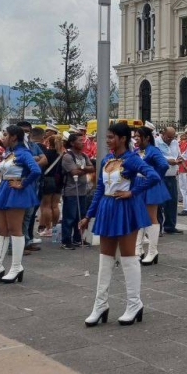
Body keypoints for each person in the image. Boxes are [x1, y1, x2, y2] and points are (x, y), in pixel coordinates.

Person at [80, 122, 162, 326]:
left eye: (110, 137)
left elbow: (153, 176)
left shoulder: (132, 159)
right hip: (107, 208)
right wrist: (88, 216)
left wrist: (132, 192)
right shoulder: (107, 159)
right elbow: (100, 188)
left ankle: (134, 304)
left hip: (125, 209)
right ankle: (100, 305)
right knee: (105, 258)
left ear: (122, 138)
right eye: (106, 137)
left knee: (128, 257)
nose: (107, 141)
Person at [0, 126, 42, 285]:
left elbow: (36, 171)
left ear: (14, 137)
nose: (3, 136)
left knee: (15, 229)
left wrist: (23, 183)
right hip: (5, 189)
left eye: (5, 134)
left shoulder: (24, 153)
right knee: (1, 230)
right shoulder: (9, 152)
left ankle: (16, 267)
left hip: (16, 192)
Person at [132, 123, 171, 266]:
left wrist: (154, 177)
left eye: (138, 137)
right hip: (138, 185)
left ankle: (152, 251)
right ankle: (138, 249)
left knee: (151, 217)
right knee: (138, 215)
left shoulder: (153, 150)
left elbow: (164, 165)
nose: (135, 139)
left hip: (149, 186)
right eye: (134, 136)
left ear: (146, 138)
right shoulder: (137, 151)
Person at [60, 132, 95, 250]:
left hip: (83, 191)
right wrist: (84, 169)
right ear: (72, 143)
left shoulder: (84, 156)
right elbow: (73, 172)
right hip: (71, 191)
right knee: (69, 217)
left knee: (81, 216)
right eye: (80, 140)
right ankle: (66, 240)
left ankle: (77, 238)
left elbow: (92, 168)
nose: (83, 142)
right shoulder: (68, 156)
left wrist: (81, 168)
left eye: (83, 140)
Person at [37, 132, 64, 240]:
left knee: (46, 206)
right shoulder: (61, 155)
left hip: (48, 180)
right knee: (55, 205)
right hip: (59, 181)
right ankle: (55, 229)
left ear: (49, 142)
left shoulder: (46, 154)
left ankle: (47, 228)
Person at [156, 126, 183, 234]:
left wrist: (179, 160)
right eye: (168, 137)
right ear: (163, 133)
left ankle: (170, 226)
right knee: (159, 203)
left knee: (172, 202)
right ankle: (157, 228)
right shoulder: (156, 142)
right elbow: (156, 156)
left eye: (172, 137)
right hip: (160, 176)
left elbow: (179, 154)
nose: (170, 139)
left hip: (172, 175)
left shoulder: (175, 143)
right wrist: (168, 161)